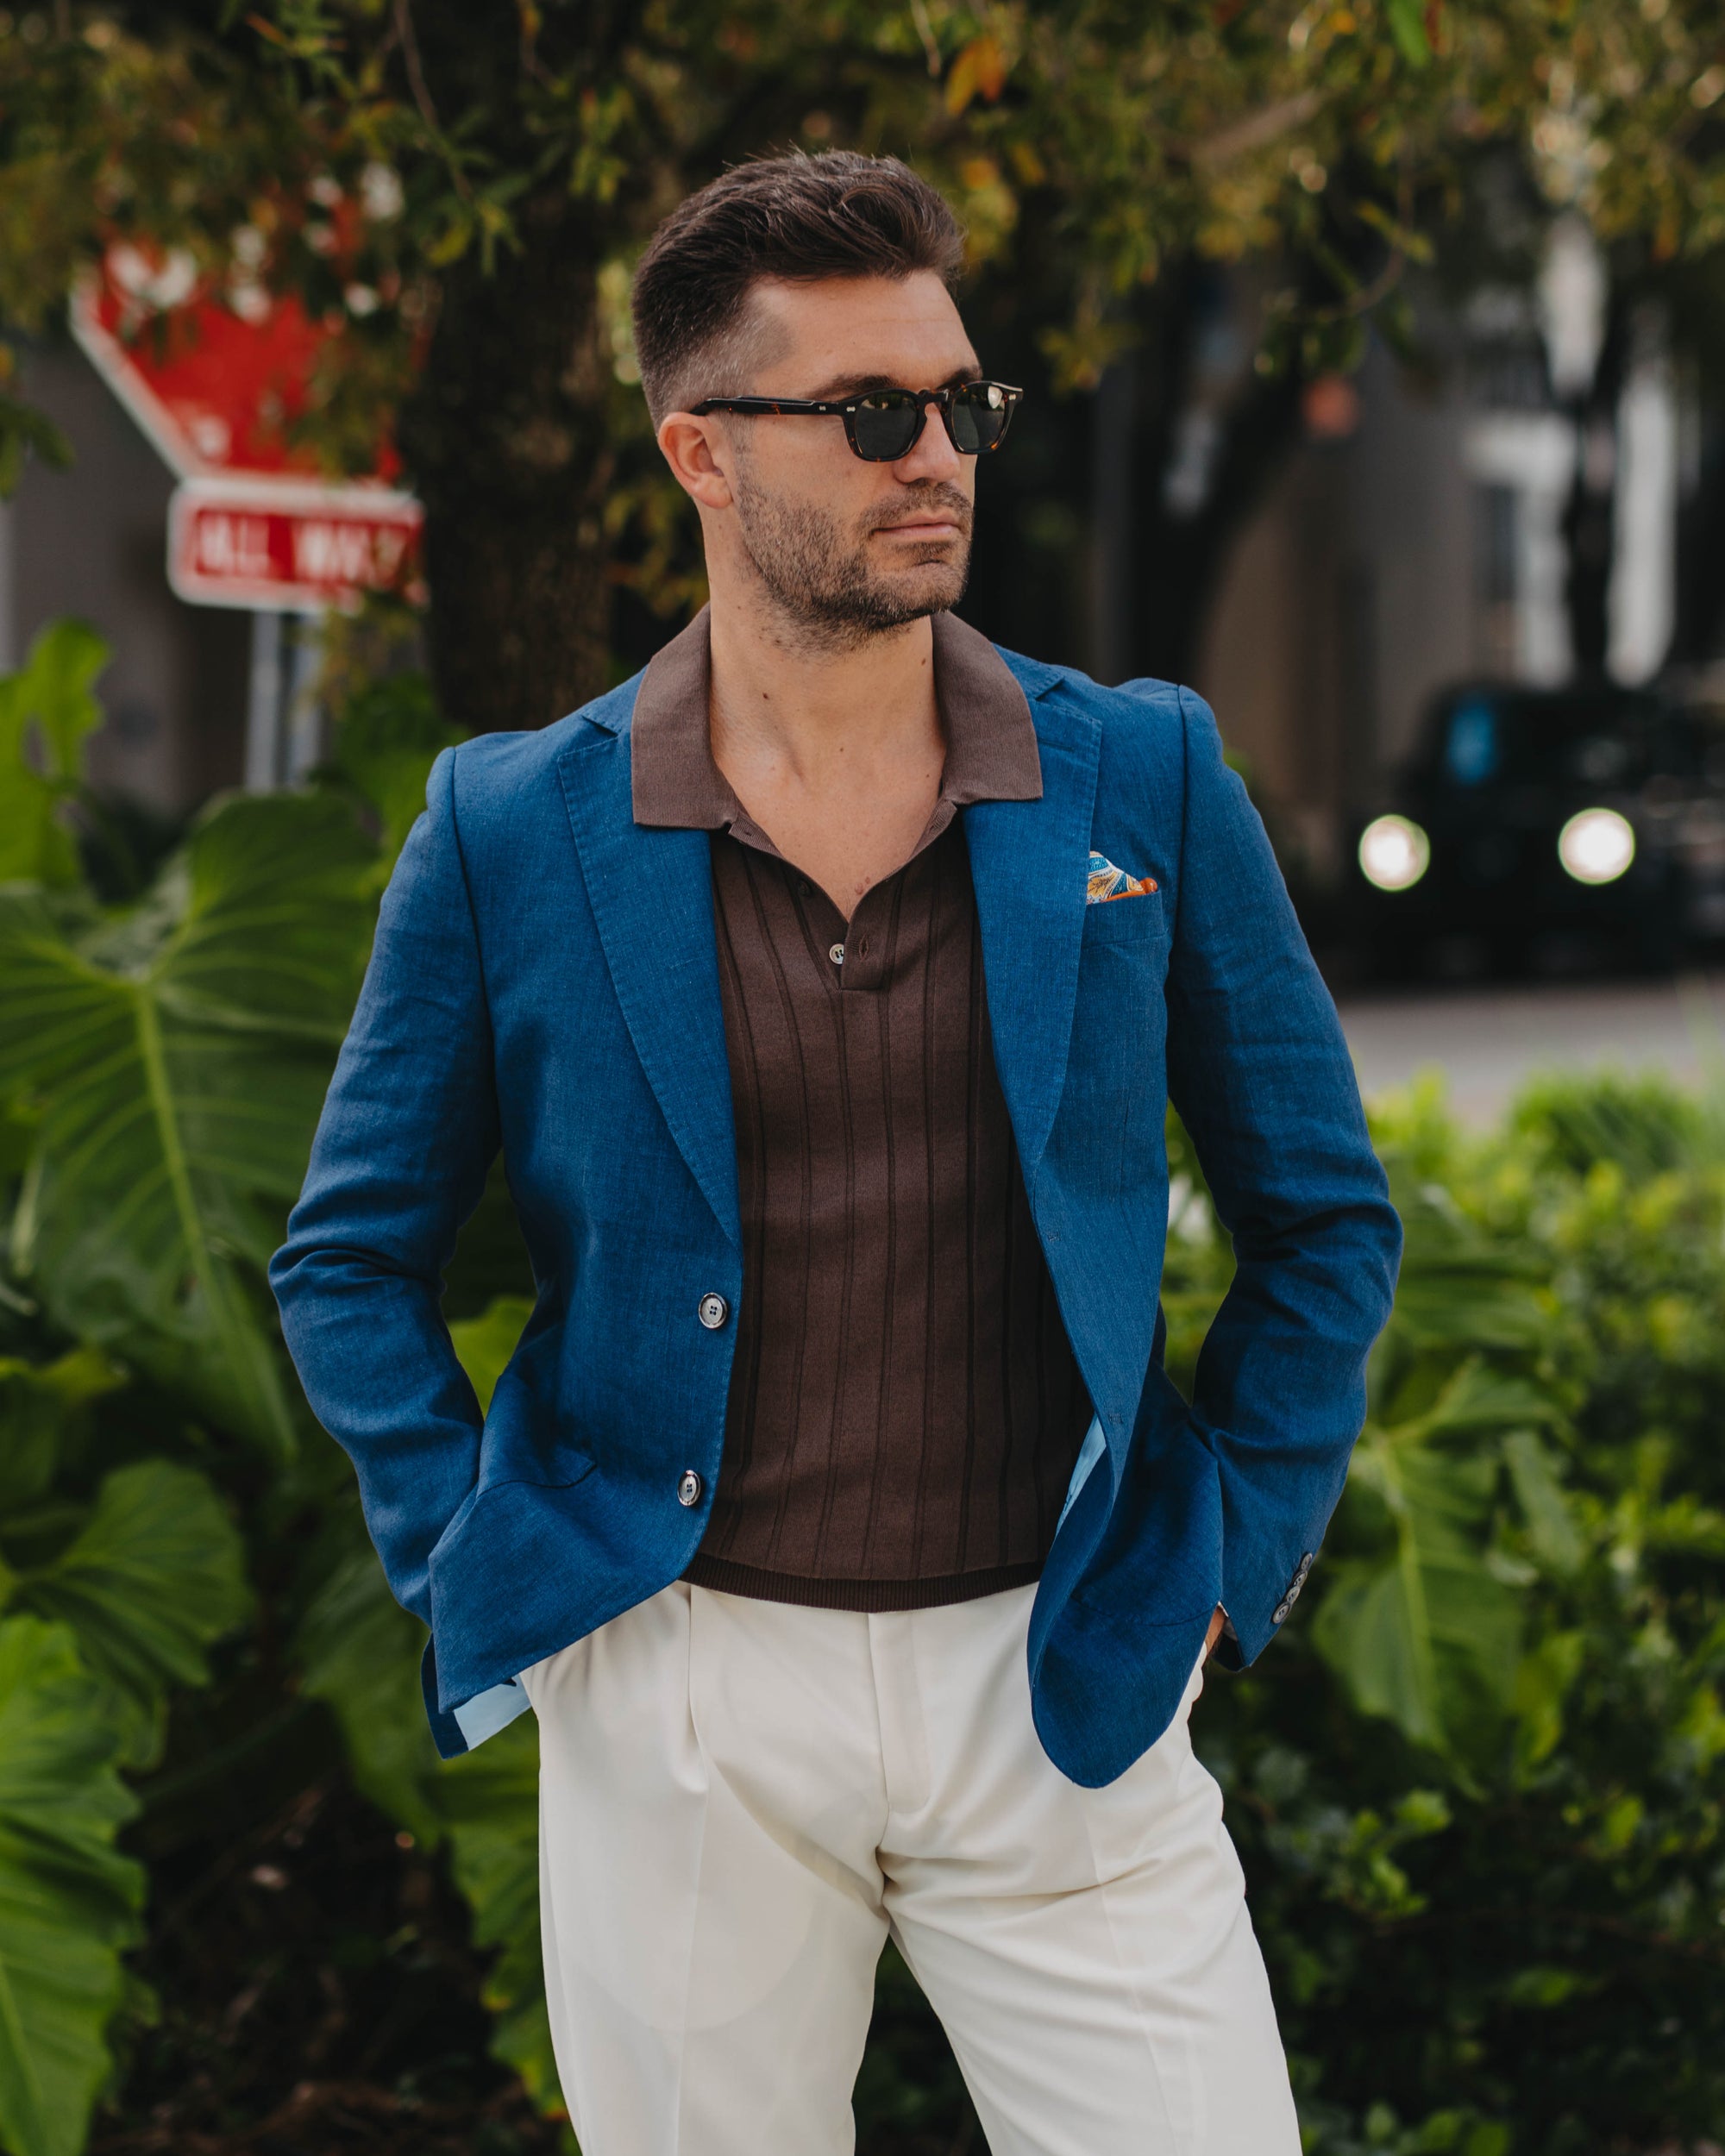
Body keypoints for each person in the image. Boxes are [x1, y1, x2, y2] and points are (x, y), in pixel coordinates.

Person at [271, 148, 1402, 2156]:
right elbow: (348, 1256)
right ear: (700, 451)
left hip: (1064, 1662)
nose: (936, 453)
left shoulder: (1134, 769)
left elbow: (1320, 1210)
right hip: (683, 1678)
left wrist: (1229, 1553)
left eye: (960, 401)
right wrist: (499, 1575)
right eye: (872, 413)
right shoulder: (511, 828)